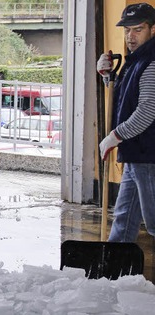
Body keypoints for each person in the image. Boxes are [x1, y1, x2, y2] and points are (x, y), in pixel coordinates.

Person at [97, 2, 155, 242]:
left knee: (154, 222)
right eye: (127, 30)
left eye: (138, 29)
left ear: (153, 29)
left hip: (150, 156)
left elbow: (147, 111)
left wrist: (115, 136)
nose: (130, 36)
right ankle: (114, 271)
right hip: (136, 153)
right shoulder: (135, 60)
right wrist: (108, 77)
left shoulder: (151, 63)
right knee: (124, 217)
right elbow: (125, 99)